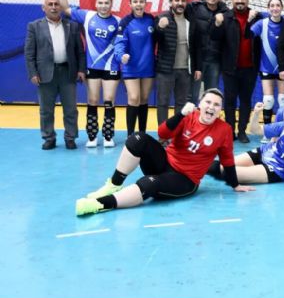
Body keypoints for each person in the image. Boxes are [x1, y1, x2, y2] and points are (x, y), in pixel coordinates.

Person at [75, 88, 254, 216]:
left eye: (216, 105)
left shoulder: (224, 130)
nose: (211, 107)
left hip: (185, 180)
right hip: (164, 163)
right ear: (200, 104)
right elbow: (162, 134)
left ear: (220, 110)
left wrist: (235, 184)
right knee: (138, 139)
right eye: (208, 102)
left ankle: (98, 204)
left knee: (148, 183)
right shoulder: (188, 116)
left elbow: (227, 160)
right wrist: (180, 115)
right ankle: (114, 185)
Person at [209, 103, 284, 194]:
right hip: (262, 152)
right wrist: (256, 113)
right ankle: (198, 166)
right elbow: (255, 130)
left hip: (275, 170)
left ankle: (201, 169)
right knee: (224, 165)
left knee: (228, 172)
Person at [58, 0, 119, 148]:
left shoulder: (118, 21)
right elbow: (65, 8)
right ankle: (92, 136)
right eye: (100, 3)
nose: (103, 6)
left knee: (109, 101)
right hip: (92, 67)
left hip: (111, 67)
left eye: (106, 3)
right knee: (92, 100)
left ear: (111, 5)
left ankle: (108, 136)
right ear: (95, 4)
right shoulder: (87, 16)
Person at [24, 0, 86, 150]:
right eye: (50, 4)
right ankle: (49, 138)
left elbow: (80, 51)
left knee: (71, 109)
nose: (53, 7)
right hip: (45, 74)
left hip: (68, 72)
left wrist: (81, 70)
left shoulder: (72, 26)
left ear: (61, 7)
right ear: (43, 8)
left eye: (56, 4)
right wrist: (33, 73)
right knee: (46, 110)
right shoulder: (34, 26)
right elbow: (29, 53)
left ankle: (70, 138)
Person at [212, 0, 259, 143]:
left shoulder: (256, 17)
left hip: (250, 69)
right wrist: (217, 24)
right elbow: (214, 37)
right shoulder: (225, 17)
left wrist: (252, 20)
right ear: (232, 0)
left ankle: (242, 131)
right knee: (230, 101)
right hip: (230, 68)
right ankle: (230, 131)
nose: (240, 1)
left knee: (245, 101)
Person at [154, 0, 201, 134]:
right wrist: (160, 28)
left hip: (185, 70)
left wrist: (197, 67)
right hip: (165, 70)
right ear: (170, 3)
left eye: (183, 0)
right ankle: (163, 134)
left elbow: (196, 46)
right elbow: (154, 39)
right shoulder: (162, 18)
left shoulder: (190, 20)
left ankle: (178, 134)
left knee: (181, 104)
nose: (180, 3)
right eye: (176, 0)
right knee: (163, 103)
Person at [114, 0, 156, 135]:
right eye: (135, 2)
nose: (138, 4)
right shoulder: (125, 22)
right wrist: (121, 56)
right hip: (131, 67)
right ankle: (130, 136)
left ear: (145, 3)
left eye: (141, 1)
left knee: (144, 99)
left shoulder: (151, 19)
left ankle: (142, 134)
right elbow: (119, 43)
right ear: (130, 4)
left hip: (148, 67)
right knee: (134, 98)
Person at [185, 0, 229, 101]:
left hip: (215, 61)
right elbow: (178, 2)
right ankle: (191, 114)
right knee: (192, 96)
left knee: (211, 95)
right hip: (197, 60)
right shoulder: (195, 8)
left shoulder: (225, 12)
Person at [248, 0, 284, 124]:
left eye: (278, 5)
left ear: (282, 8)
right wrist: (248, 20)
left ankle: (282, 127)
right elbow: (246, 35)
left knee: (283, 99)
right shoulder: (262, 24)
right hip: (266, 67)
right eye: (272, 6)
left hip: (283, 68)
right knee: (268, 100)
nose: (275, 8)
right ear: (268, 8)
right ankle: (268, 128)